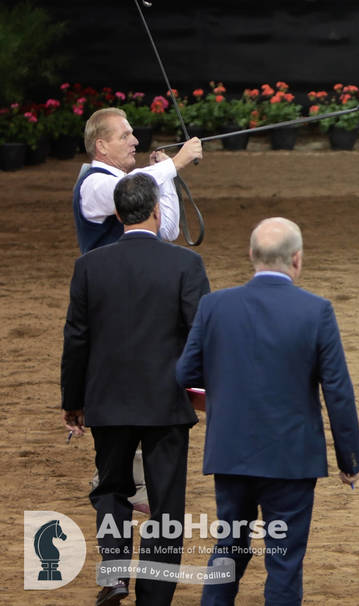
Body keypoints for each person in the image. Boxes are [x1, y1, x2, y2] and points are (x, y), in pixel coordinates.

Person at [177, 217, 359, 605]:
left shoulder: (214, 306)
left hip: (230, 453)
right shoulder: (317, 311)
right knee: (284, 560)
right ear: (296, 260)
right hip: (291, 459)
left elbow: (185, 373)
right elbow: (338, 392)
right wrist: (350, 459)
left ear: (251, 255)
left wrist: (227, 393)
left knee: (228, 547)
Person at [61, 173, 211, 606]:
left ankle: (114, 575)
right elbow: (201, 333)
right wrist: (207, 393)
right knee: (166, 506)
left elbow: (77, 338)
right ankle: (154, 597)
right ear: (156, 210)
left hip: (106, 401)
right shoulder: (186, 265)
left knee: (111, 489)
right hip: (166, 404)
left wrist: (73, 402)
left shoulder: (88, 266)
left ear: (120, 213)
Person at [74, 106, 203, 254]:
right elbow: (127, 186)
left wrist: (166, 177)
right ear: (101, 146)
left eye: (132, 135)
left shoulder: (127, 182)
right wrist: (176, 162)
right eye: (124, 136)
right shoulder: (92, 183)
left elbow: (168, 231)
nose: (135, 141)